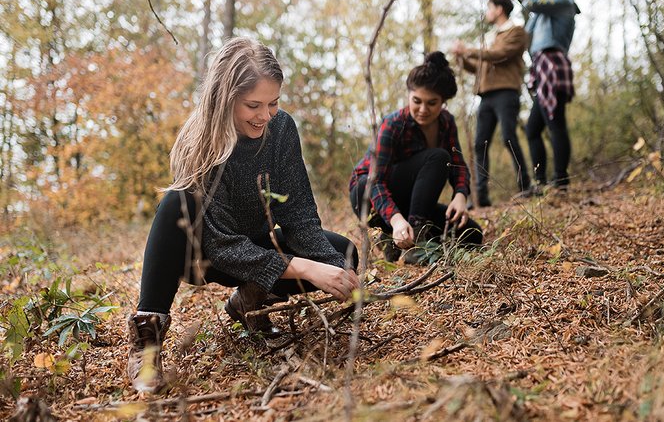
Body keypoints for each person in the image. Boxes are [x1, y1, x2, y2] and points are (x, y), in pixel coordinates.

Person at [128, 37, 359, 393]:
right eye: (254, 105)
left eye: (273, 103)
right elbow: (222, 245)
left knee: (342, 251)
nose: (265, 116)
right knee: (177, 201)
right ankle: (147, 344)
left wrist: (332, 268)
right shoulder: (201, 143)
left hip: (257, 245)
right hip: (203, 255)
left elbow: (297, 212)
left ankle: (248, 304)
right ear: (225, 98)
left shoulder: (281, 129)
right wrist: (305, 267)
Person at [350, 52, 483, 263]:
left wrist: (460, 195)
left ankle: (413, 238)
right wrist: (396, 221)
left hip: (414, 204)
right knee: (438, 157)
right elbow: (375, 182)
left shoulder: (446, 122)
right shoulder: (393, 124)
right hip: (368, 197)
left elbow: (458, 165)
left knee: (472, 234)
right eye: (416, 101)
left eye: (432, 103)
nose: (423, 110)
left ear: (443, 103)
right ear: (409, 95)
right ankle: (412, 240)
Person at [451, 0, 532, 207]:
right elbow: (479, 67)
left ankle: (526, 187)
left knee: (508, 137)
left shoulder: (516, 31)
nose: (487, 13)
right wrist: (461, 57)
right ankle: (481, 198)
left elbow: (499, 55)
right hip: (486, 95)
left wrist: (469, 49)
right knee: (480, 144)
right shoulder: (490, 37)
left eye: (489, 8)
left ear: (499, 10)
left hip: (506, 92)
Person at [522, 0, 579, 191]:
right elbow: (525, 33)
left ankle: (560, 180)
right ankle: (541, 181)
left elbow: (530, 3)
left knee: (556, 124)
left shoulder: (565, 3)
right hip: (541, 67)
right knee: (532, 129)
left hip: (553, 64)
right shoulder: (544, 14)